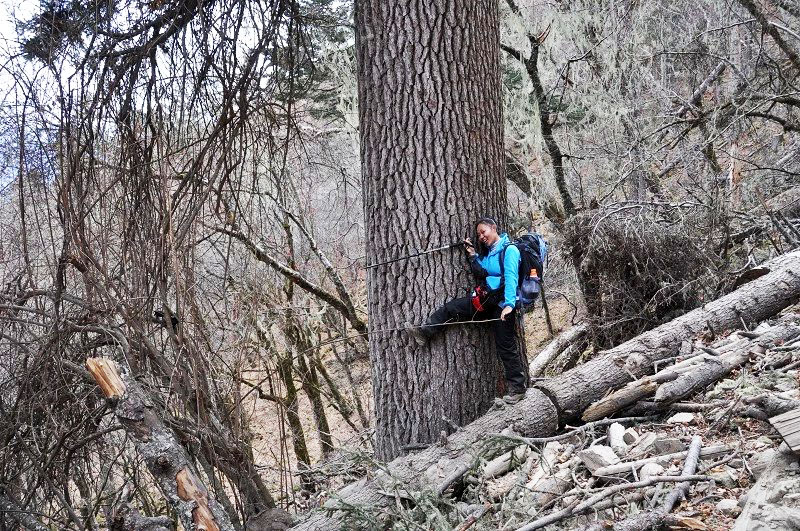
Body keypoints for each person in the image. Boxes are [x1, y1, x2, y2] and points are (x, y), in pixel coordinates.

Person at [409, 217, 528, 404]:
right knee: (452, 308)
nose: (481, 236)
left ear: (494, 228)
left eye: (484, 232)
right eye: (479, 234)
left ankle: (518, 389)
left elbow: (511, 277)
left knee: (506, 347)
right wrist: (472, 254)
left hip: (502, 307)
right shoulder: (490, 253)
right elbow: (482, 272)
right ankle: (425, 332)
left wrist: (509, 305)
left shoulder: (509, 250)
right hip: (485, 302)